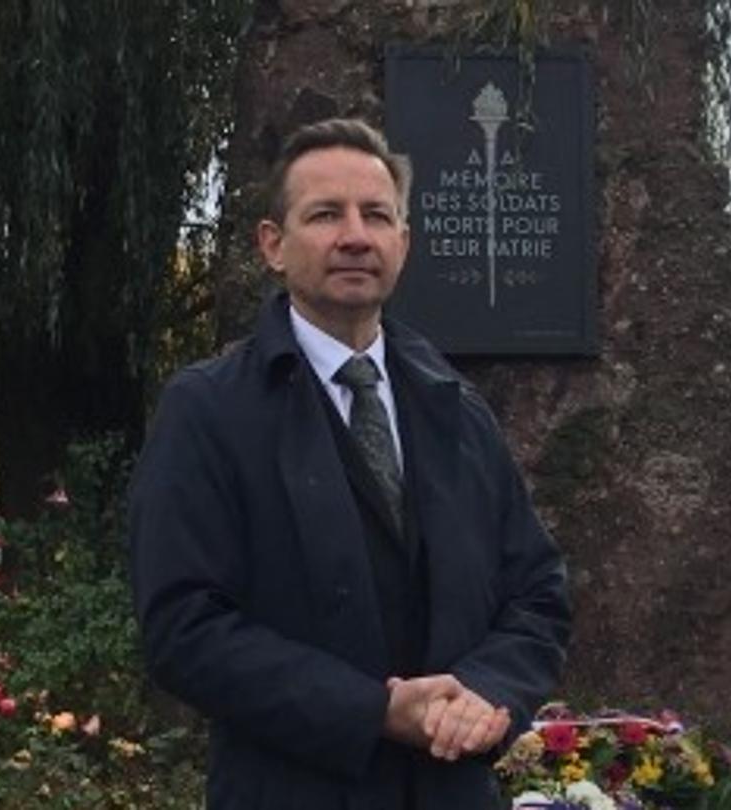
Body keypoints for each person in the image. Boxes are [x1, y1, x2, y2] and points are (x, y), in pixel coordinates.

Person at [127, 118, 571, 810]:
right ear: (272, 245)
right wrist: (373, 712)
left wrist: (486, 693)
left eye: (377, 215)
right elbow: (184, 628)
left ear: (404, 243)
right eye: (326, 214)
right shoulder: (209, 411)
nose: (356, 236)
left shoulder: (457, 410)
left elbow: (537, 592)